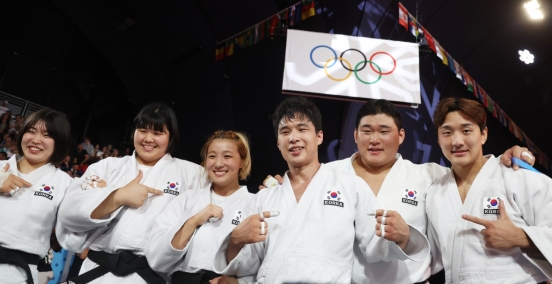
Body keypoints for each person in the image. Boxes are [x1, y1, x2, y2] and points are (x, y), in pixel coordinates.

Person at [213, 96, 429, 284]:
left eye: (302, 129)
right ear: (278, 143)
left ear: (319, 136)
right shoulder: (265, 197)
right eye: (285, 131)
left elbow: (375, 248)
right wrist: (235, 240)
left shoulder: (350, 186)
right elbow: (247, 267)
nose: (293, 137)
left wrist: (403, 237)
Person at [323, 99, 535, 284]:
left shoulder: (429, 175)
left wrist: (512, 155)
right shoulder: (326, 175)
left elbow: (474, 171)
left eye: (384, 131)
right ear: (355, 135)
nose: (374, 139)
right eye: (367, 131)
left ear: (401, 135)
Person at [56, 103, 210, 284]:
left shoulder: (193, 175)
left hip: (150, 277)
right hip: (97, 270)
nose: (148, 138)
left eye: (158, 133)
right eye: (143, 130)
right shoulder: (107, 167)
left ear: (171, 137)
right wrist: (117, 196)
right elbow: (69, 214)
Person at [426, 97, 552, 283]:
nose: (457, 141)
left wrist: (522, 237)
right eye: (447, 132)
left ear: (484, 134)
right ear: (438, 139)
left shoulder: (517, 176)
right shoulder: (435, 193)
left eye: (466, 130)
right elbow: (432, 257)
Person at [147, 130, 255, 284]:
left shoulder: (254, 203)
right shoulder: (187, 199)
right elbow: (156, 258)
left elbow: (262, 262)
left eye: (227, 156)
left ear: (242, 162)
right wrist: (193, 221)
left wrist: (237, 282)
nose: (218, 163)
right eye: (212, 156)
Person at [0, 108, 73, 284]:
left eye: (46, 135)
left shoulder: (66, 184)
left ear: (59, 142)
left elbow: (67, 237)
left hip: (16, 273)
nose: (36, 140)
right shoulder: (0, 167)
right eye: (31, 131)